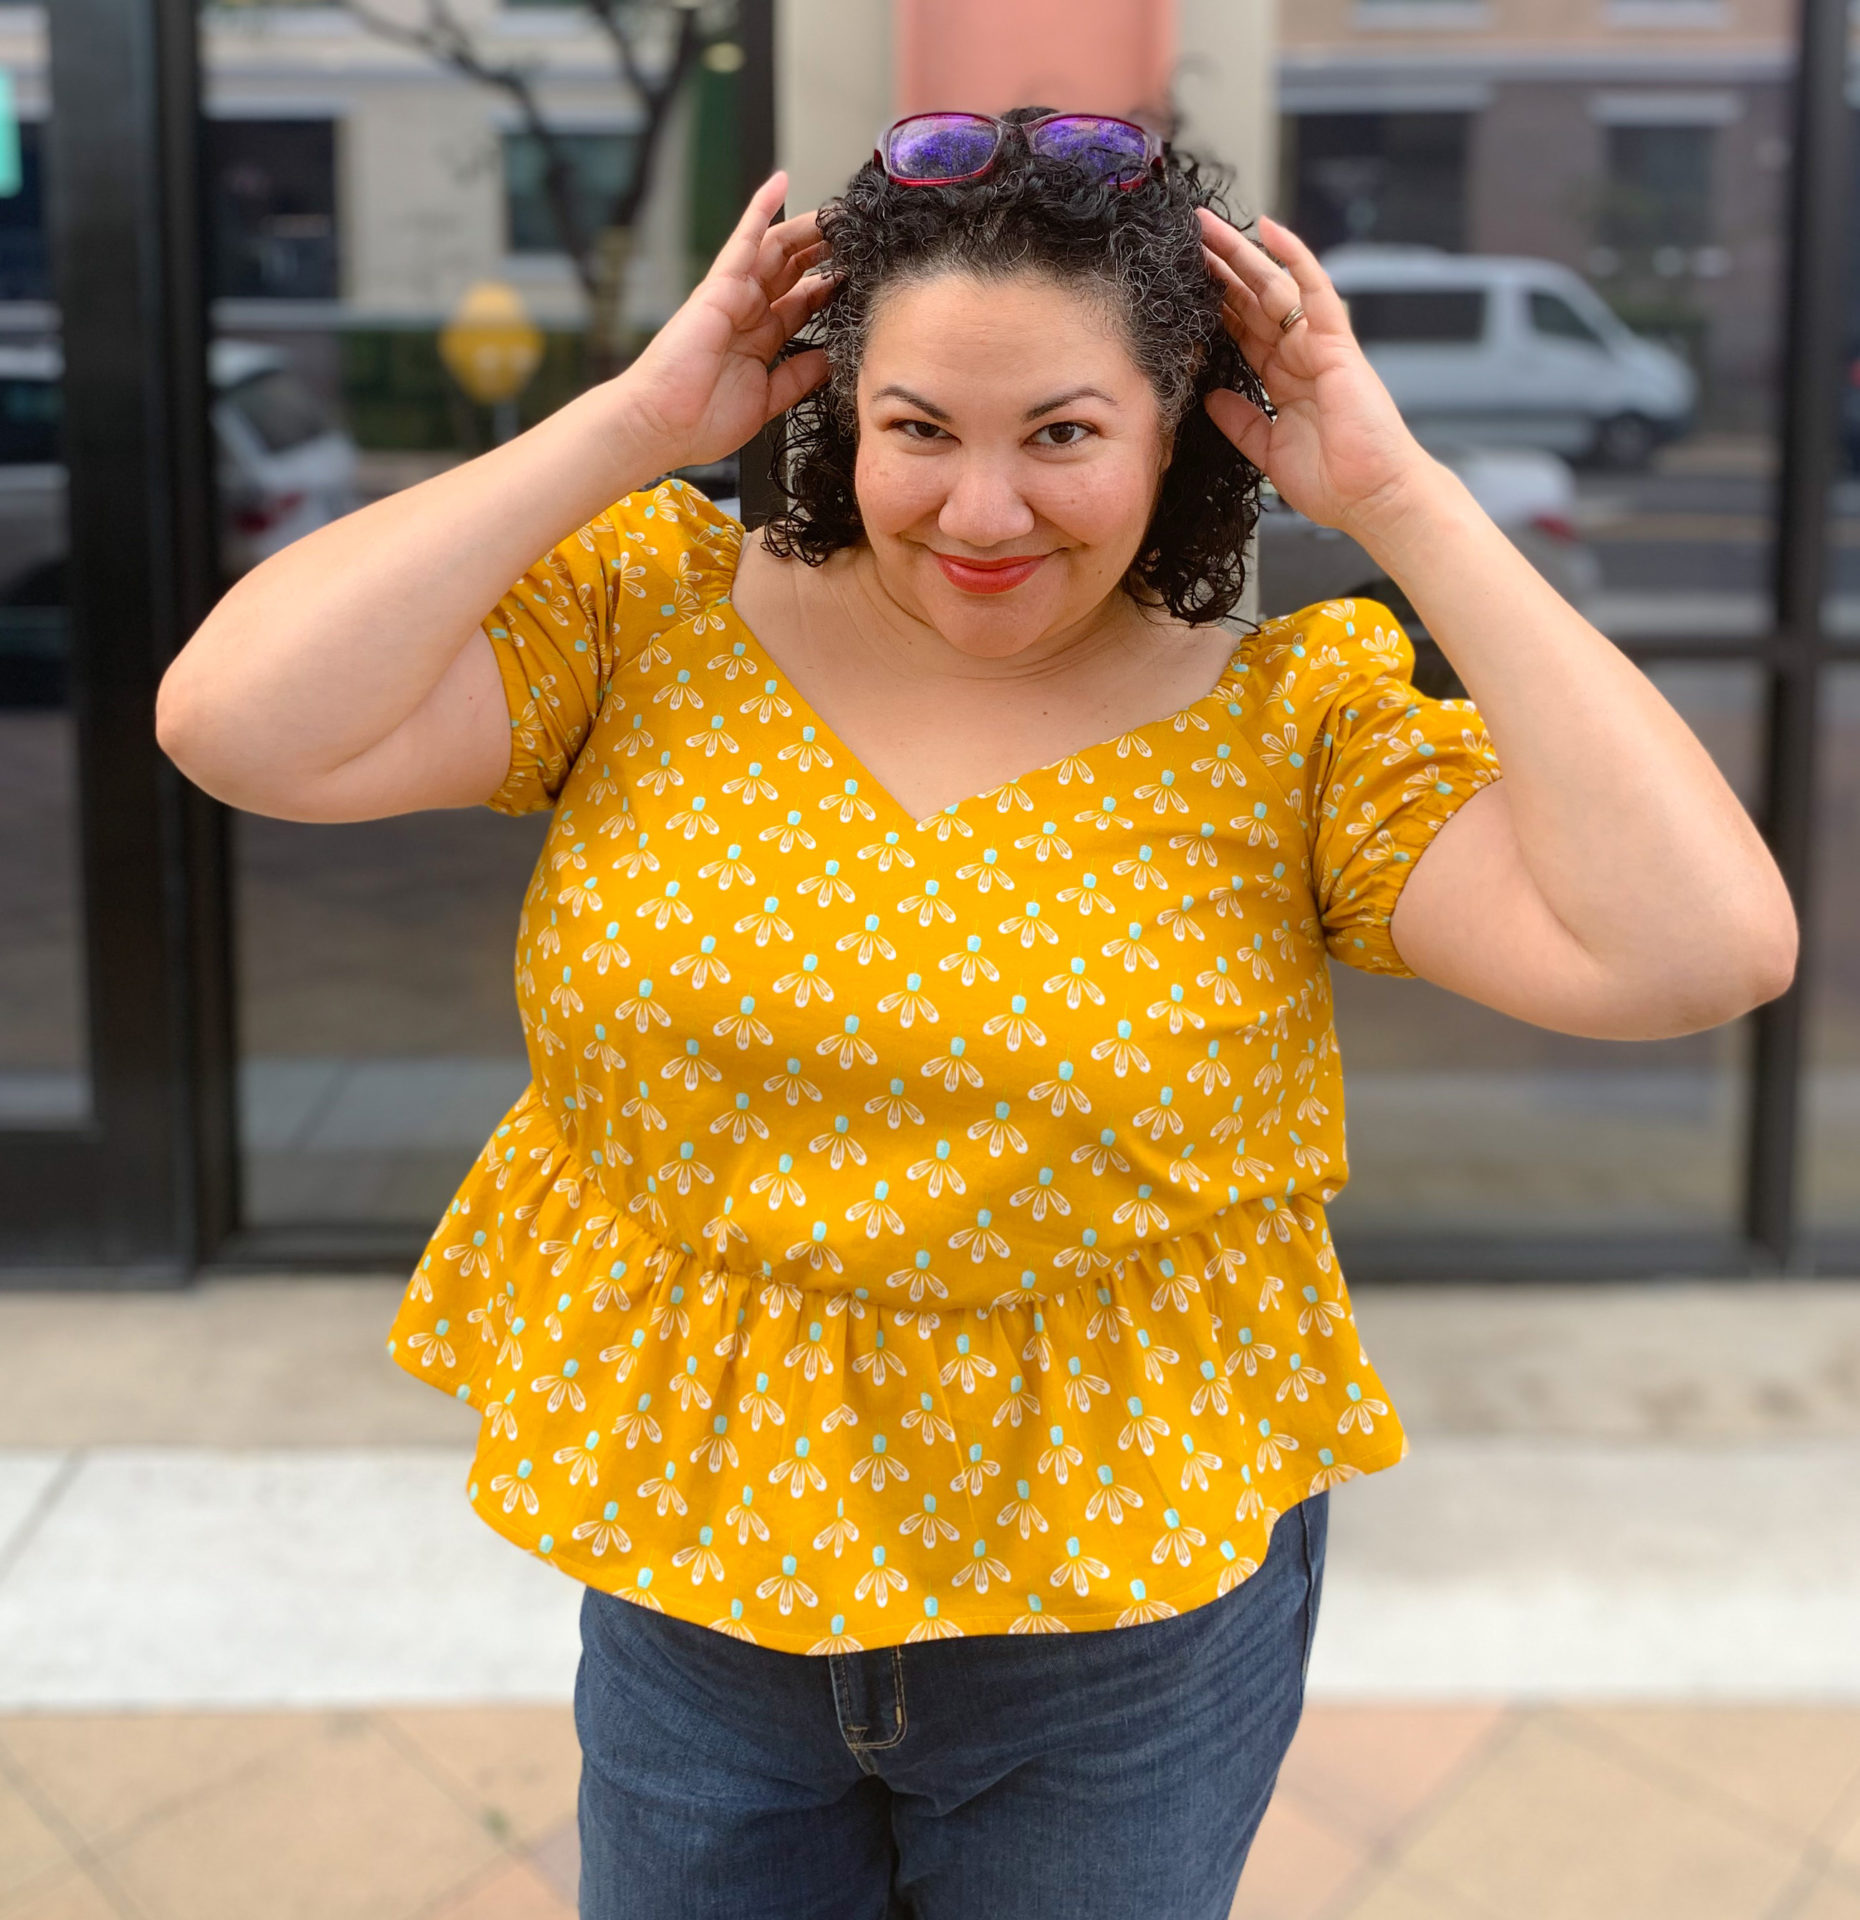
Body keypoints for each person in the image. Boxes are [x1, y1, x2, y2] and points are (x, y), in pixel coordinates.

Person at [156, 108, 1796, 1920]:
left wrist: (1405, 497)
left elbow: (1698, 950)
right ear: (839, 413)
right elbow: (240, 724)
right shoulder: (649, 623)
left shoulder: (1294, 734)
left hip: (1122, 1633)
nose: (983, 510)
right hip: (697, 1588)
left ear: (1179, 429)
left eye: (1065, 434)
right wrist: (630, 427)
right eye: (918, 430)